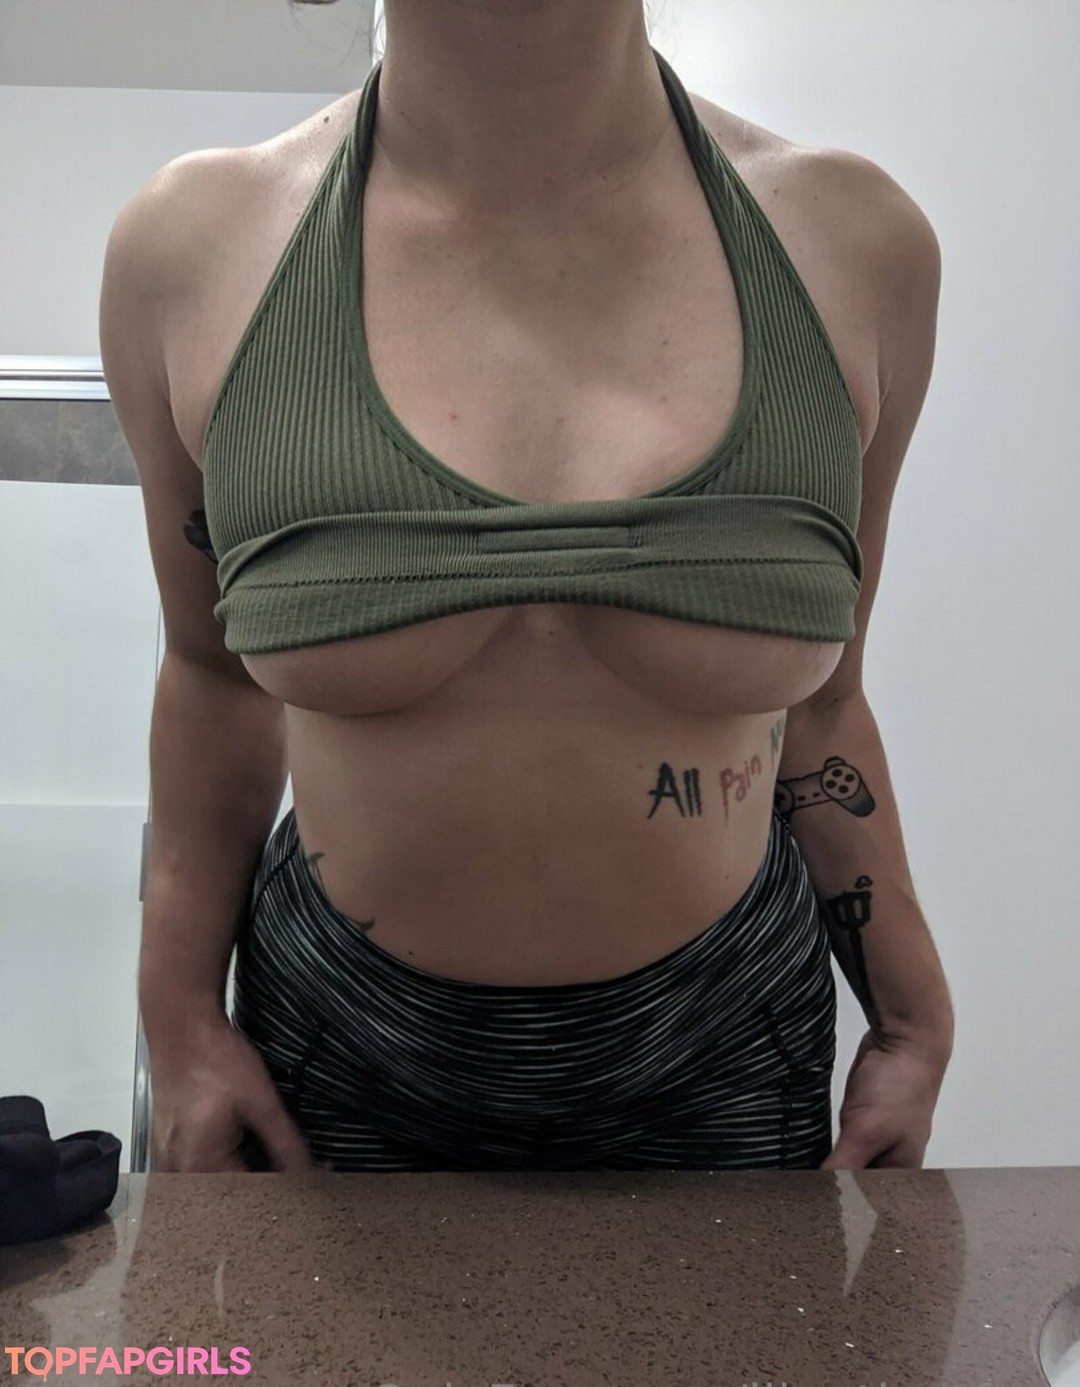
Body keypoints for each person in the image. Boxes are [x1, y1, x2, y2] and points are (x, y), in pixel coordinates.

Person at [99, 0, 954, 1174]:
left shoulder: (855, 247)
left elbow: (824, 700)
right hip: (337, 1054)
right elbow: (210, 680)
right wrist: (181, 1020)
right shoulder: (191, 251)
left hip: (722, 1048)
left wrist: (910, 1014)